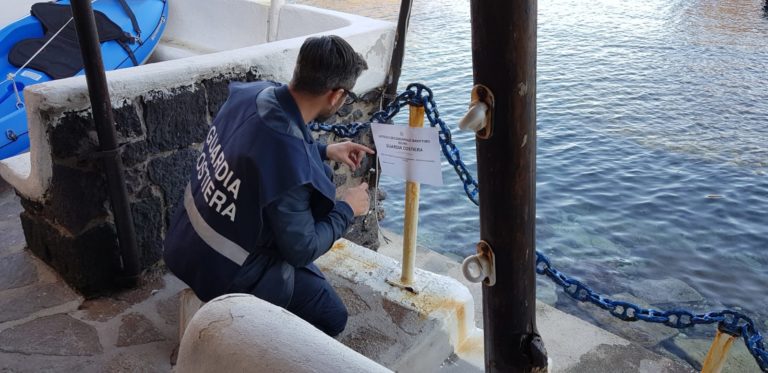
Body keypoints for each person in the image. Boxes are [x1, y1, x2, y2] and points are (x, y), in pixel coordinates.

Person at [163, 35, 374, 337]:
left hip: (185, 242)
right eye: (347, 96)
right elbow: (302, 249)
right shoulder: (290, 163)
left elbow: (261, 151)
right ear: (336, 95)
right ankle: (255, 349)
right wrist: (347, 209)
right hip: (223, 269)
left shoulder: (252, 95)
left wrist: (325, 150)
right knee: (332, 316)